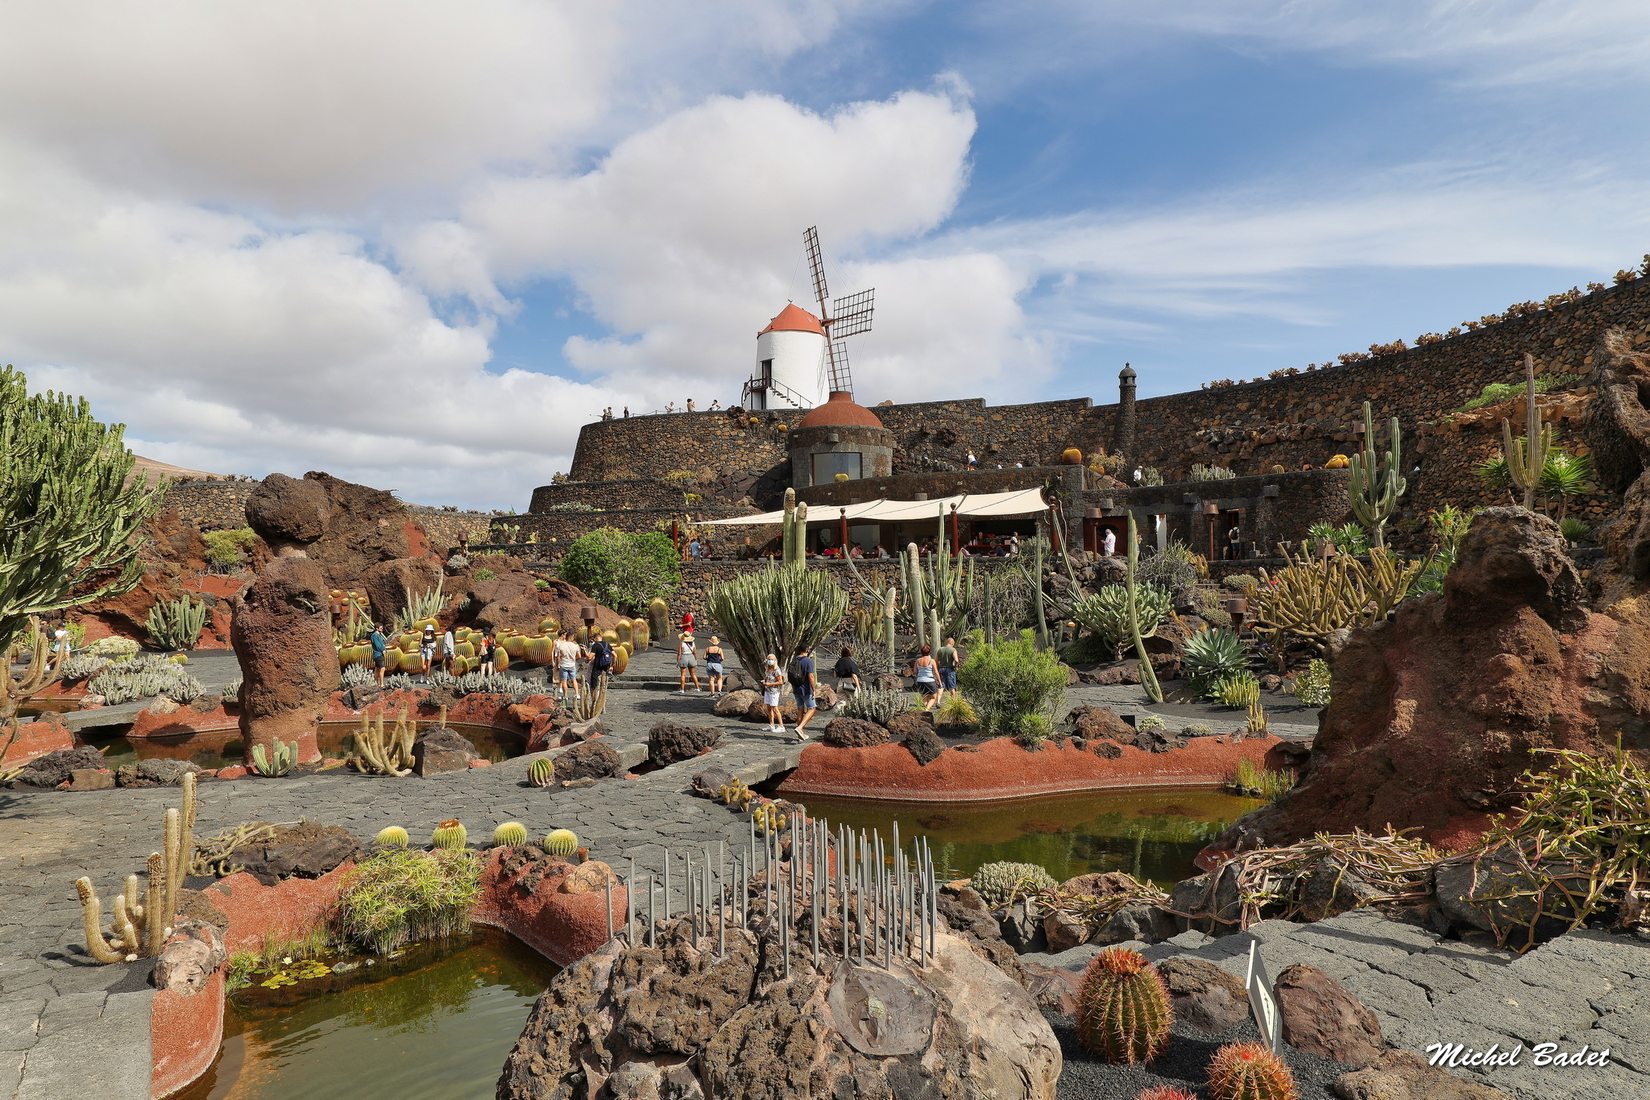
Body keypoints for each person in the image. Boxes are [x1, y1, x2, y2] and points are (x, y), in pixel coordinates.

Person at [789, 644, 817, 740]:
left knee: (800, 709)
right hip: (806, 689)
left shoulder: (794, 660)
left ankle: (800, 735)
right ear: (807, 650)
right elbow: (811, 676)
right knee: (812, 708)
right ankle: (800, 728)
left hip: (796, 688)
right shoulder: (808, 661)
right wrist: (814, 689)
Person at [553, 629, 581, 702]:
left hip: (563, 665)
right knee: (574, 679)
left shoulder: (561, 646)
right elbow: (579, 656)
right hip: (572, 665)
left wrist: (558, 664)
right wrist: (574, 658)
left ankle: (565, 696)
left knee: (564, 681)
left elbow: (558, 656)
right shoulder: (575, 646)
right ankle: (577, 694)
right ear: (571, 637)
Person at [761, 654, 786, 733]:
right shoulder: (768, 669)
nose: (770, 661)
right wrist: (765, 682)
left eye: (771, 659)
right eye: (769, 659)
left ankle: (781, 726)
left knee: (775, 708)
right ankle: (771, 725)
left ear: (775, 661)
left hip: (774, 692)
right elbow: (767, 677)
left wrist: (770, 684)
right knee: (769, 708)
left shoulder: (777, 670)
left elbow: (781, 681)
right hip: (768, 691)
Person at [912, 643, 940, 711]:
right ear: (929, 652)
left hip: (920, 680)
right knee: (933, 697)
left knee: (924, 696)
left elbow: (915, 672)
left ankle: (925, 709)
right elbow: (936, 672)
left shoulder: (917, 661)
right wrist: (939, 681)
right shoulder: (932, 661)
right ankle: (926, 710)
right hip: (929, 680)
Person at [935, 635, 961, 704]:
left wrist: (938, 668)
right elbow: (956, 660)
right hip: (950, 669)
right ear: (952, 643)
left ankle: (938, 701)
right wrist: (955, 666)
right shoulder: (953, 650)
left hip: (941, 669)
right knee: (952, 686)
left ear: (947, 642)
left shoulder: (940, 649)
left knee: (941, 685)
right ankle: (954, 702)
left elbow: (936, 660)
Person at [368, 622, 389, 686]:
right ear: (377, 628)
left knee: (377, 669)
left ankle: (376, 684)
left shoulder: (379, 635)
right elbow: (377, 645)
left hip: (379, 654)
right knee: (382, 668)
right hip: (378, 654)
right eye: (381, 627)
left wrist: (384, 649)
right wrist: (383, 650)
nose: (382, 628)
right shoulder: (375, 635)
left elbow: (382, 644)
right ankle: (381, 684)